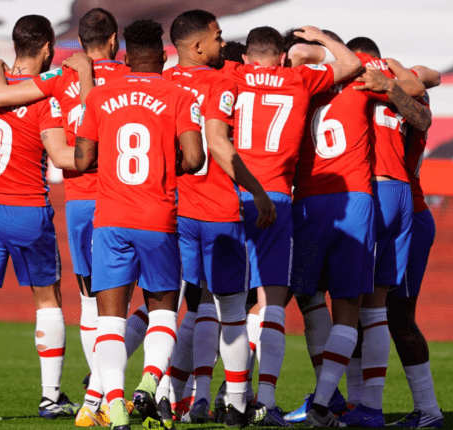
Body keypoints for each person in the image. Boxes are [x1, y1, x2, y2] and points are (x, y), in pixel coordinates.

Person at [0, 10, 151, 426]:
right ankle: (123, 395)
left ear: (79, 39)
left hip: (79, 203)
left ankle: (96, 400)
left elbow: (1, 97)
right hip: (125, 201)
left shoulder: (61, 76)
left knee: (93, 304)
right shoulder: (131, 79)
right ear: (114, 40)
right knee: (151, 300)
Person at [221, 25, 361, 426]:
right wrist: (322, 40)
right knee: (273, 303)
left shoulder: (234, 75)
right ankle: (264, 398)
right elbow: (349, 64)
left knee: (222, 304)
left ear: (248, 57)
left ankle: (218, 395)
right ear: (282, 57)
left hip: (232, 196)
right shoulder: (298, 79)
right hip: (278, 197)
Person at [74, 19, 205, 430]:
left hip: (110, 218)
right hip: (158, 217)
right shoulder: (179, 95)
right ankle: (150, 380)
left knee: (109, 320)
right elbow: (196, 159)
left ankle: (113, 407)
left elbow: (81, 160)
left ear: (126, 57)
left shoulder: (99, 97)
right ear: (164, 57)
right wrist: (168, 165)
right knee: (163, 311)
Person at [0, 14, 78, 422]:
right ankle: (50, 397)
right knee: (47, 301)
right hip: (27, 209)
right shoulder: (45, 98)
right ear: (47, 49)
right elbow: (60, 155)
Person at [161, 9, 276, 428]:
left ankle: (165, 395)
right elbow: (219, 146)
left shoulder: (162, 82)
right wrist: (258, 191)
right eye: (217, 36)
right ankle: (238, 403)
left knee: (181, 306)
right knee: (232, 310)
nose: (223, 43)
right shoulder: (220, 81)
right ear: (196, 46)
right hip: (214, 209)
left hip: (173, 211)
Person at [333, 37, 427, 428]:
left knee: (364, 310)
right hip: (405, 196)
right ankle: (364, 404)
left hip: (372, 192)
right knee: (376, 312)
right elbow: (425, 96)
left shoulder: (352, 86)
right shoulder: (398, 87)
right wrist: (396, 77)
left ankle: (359, 403)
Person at [359, 60, 444, 428]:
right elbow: (429, 76)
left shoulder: (400, 105)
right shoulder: (397, 95)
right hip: (390, 206)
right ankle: (358, 405)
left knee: (398, 317)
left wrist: (393, 75)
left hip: (408, 208)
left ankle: (428, 411)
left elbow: (429, 79)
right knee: (360, 310)